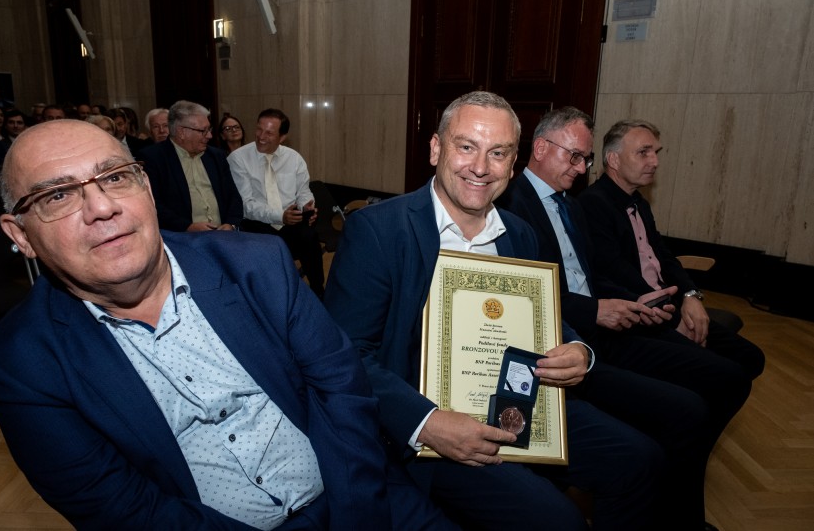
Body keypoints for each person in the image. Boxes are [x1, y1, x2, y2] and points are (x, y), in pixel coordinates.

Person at [0, 119, 452, 530]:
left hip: (361, 496)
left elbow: (343, 389)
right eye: (58, 195)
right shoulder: (21, 361)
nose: (102, 207)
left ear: (147, 188)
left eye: (115, 177)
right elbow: (123, 508)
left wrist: (358, 517)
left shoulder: (256, 264)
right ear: (20, 234)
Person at [324, 91, 663, 530]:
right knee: (557, 520)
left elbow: (541, 316)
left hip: (520, 400)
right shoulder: (379, 230)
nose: (481, 167)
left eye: (498, 153)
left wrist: (579, 349)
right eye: (467, 146)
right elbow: (346, 354)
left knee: (639, 459)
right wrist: (427, 422)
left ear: (513, 163)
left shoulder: (518, 233)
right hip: (426, 425)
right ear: (436, 149)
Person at [498, 107, 761, 530]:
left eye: (585, 159)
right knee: (687, 412)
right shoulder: (510, 203)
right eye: (574, 156)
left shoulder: (569, 205)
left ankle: (672, 508)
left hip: (601, 329)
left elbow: (591, 276)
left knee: (722, 382)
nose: (582, 168)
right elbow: (524, 295)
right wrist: (598, 309)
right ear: (541, 148)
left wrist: (634, 302)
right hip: (566, 344)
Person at [577, 119, 765, 378]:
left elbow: (664, 256)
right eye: (643, 152)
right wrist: (674, 318)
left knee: (752, 358)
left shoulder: (638, 202)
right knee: (729, 373)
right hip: (640, 314)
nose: (654, 161)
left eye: (656, 152)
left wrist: (690, 295)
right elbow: (614, 272)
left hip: (666, 305)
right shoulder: (592, 203)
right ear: (614, 160)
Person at [228, 109, 325, 298]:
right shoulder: (238, 158)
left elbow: (303, 191)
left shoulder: (294, 158)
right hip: (256, 222)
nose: (261, 137)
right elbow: (245, 204)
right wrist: (280, 216)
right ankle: (275, 296)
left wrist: (307, 206)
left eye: (269, 133)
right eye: (259, 129)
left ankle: (318, 291)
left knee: (309, 237)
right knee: (271, 245)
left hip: (290, 218)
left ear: (282, 137)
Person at [138, 100, 242, 232]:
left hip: (223, 234)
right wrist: (187, 227)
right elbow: (152, 204)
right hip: (181, 236)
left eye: (209, 129)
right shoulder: (153, 158)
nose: (209, 135)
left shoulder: (216, 156)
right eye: (203, 131)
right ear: (182, 132)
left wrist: (231, 224)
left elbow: (233, 196)